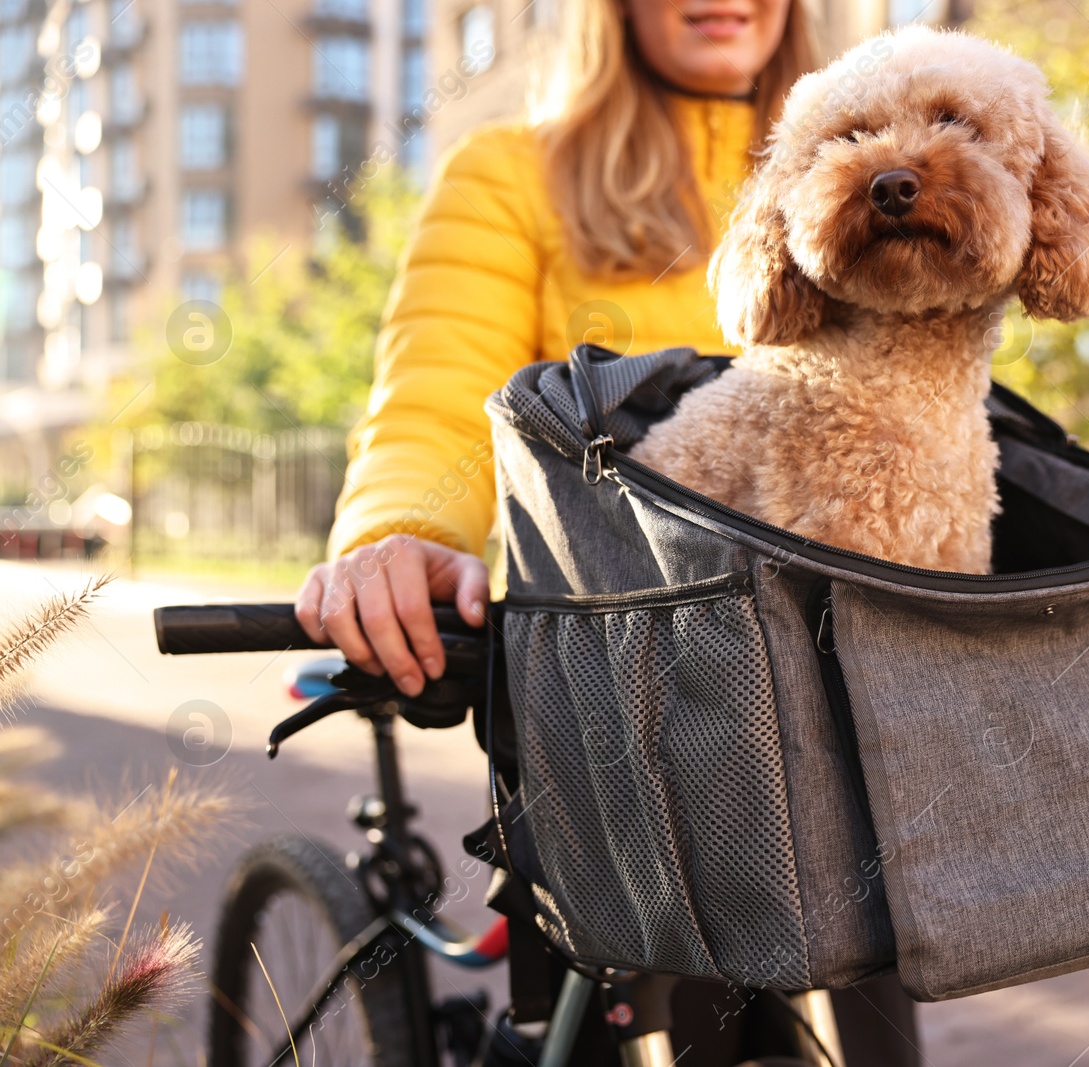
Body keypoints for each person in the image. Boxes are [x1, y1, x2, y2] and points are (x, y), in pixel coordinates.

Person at [293, 0, 921, 1062]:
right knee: (597, 1007)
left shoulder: (881, 171)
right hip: (613, 678)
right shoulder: (512, 173)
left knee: (880, 990)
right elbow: (440, 392)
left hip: (839, 673)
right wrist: (400, 529)